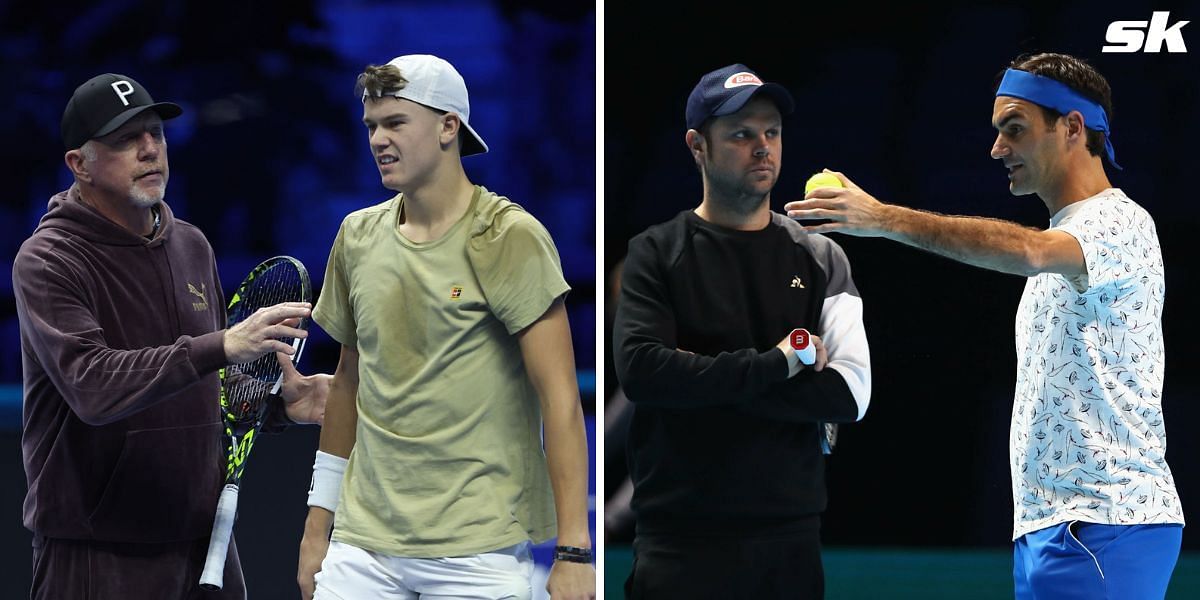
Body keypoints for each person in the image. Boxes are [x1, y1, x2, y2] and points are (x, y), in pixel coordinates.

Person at [786, 52, 1186, 599]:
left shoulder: (1119, 222)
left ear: (1072, 128)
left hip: (1105, 523)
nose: (997, 149)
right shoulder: (1070, 237)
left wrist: (883, 219)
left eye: (1014, 129)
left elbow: (1027, 250)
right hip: (1058, 526)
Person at [13, 72, 329, 599]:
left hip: (203, 547)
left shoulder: (191, 245)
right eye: (123, 140)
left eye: (155, 134)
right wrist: (224, 345)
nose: (148, 150)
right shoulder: (49, 260)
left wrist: (276, 405)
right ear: (79, 165)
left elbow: (205, 385)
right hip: (97, 557)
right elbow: (91, 385)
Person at [295, 54, 595, 600]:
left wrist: (575, 552)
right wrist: (318, 530)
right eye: (371, 126)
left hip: (479, 552)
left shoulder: (511, 236)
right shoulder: (356, 236)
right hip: (361, 549)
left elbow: (561, 400)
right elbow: (347, 388)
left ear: (448, 127)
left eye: (395, 123)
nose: (378, 140)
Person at [612, 63, 872, 599]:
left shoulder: (822, 256)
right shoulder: (654, 253)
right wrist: (780, 363)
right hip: (678, 543)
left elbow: (850, 394)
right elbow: (643, 374)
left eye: (771, 133)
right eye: (740, 134)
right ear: (697, 145)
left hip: (789, 544)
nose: (762, 147)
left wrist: (700, 375)